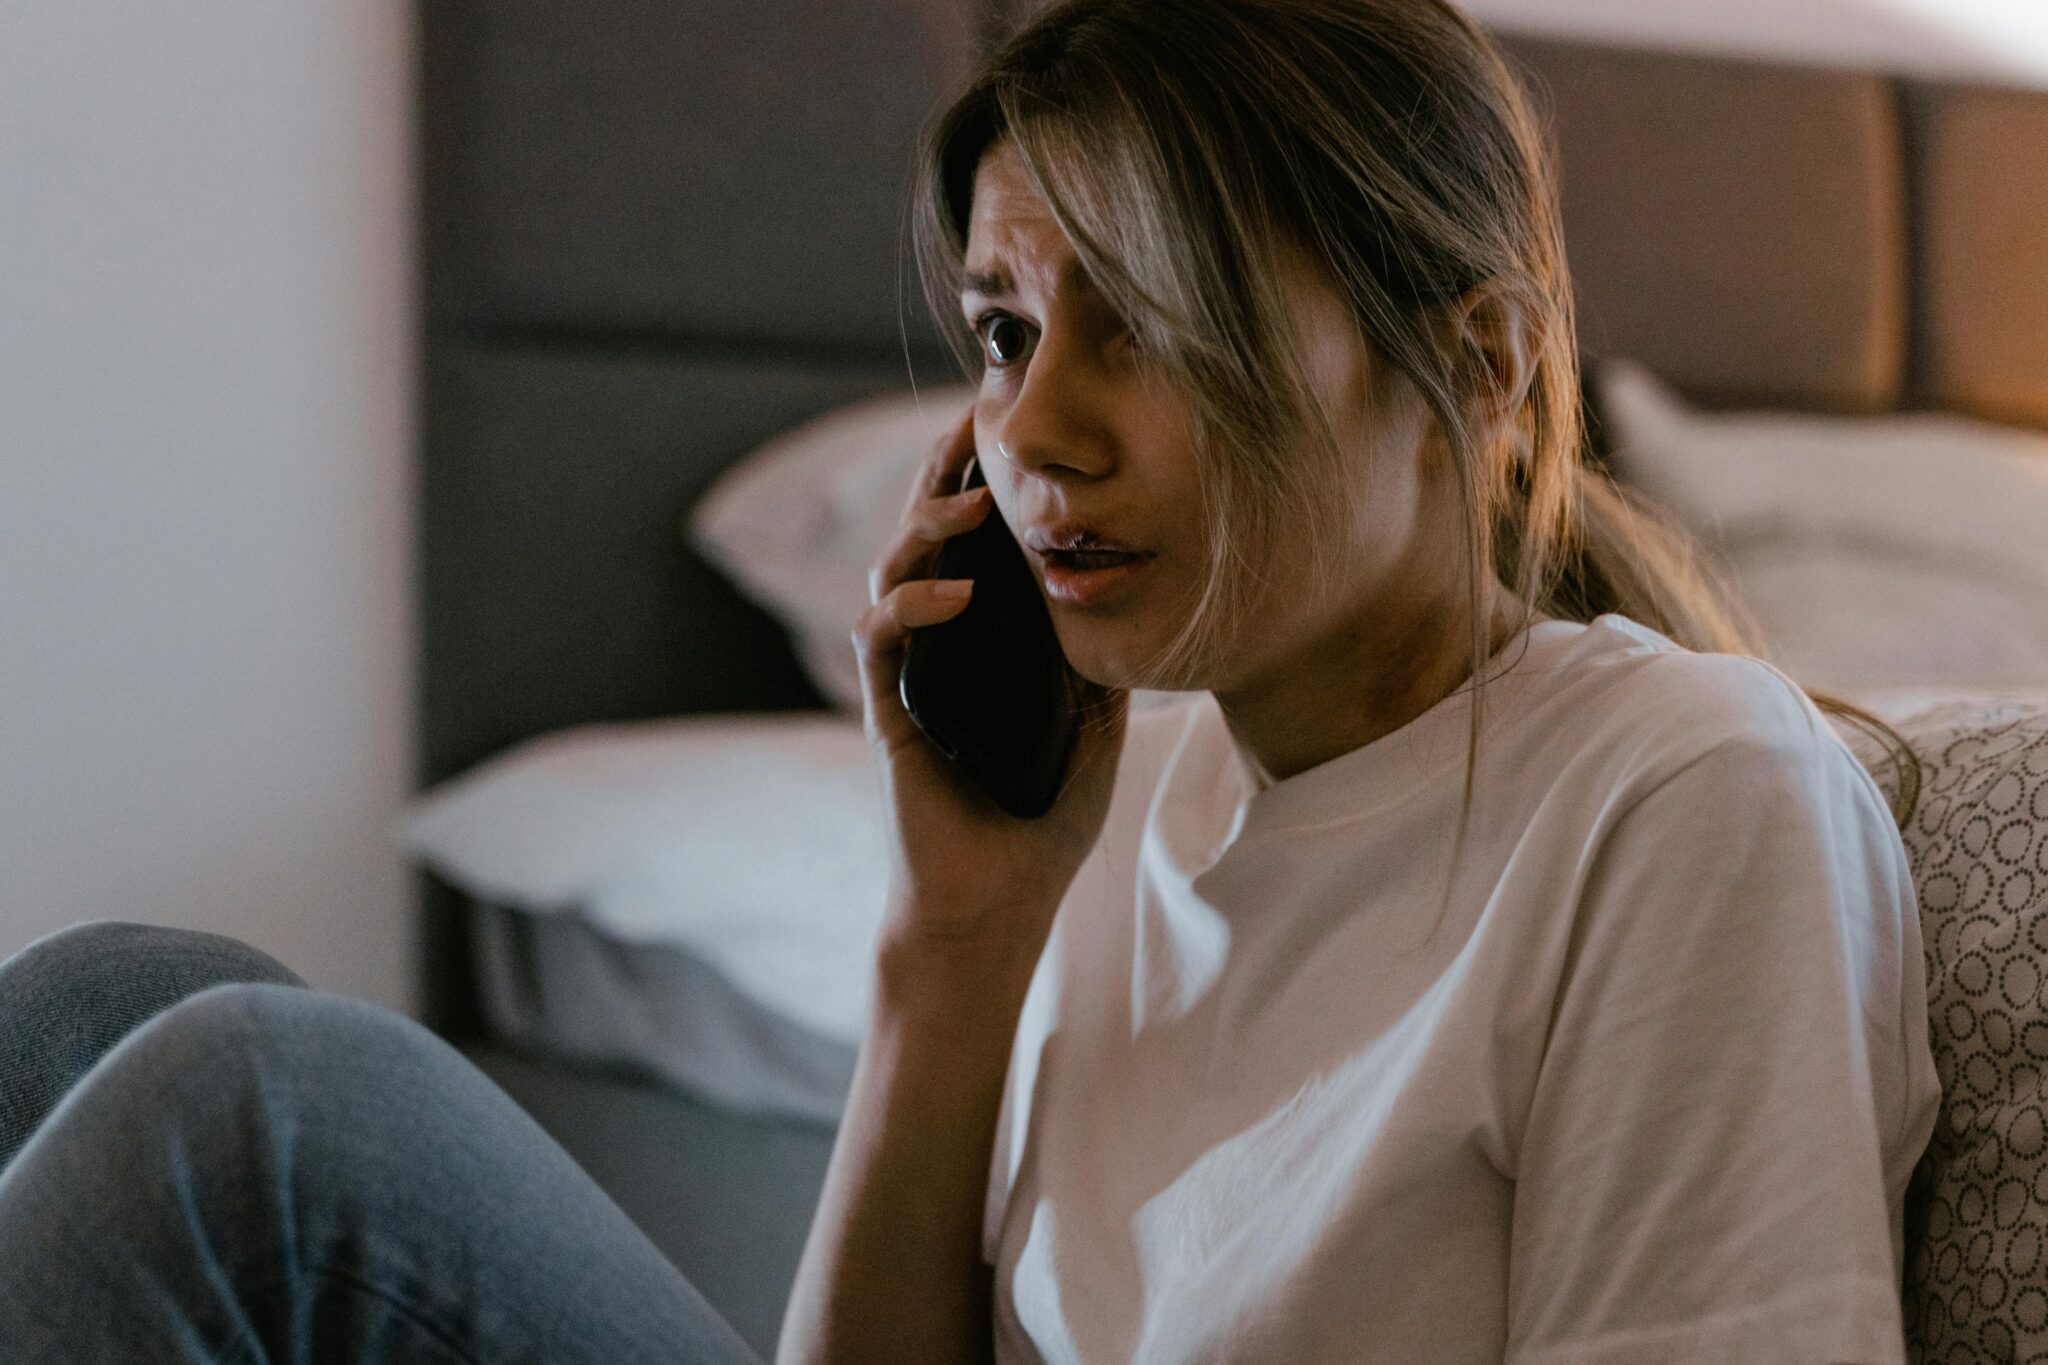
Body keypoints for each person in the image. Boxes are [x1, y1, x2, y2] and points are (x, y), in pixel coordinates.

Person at [0, 0, 1939, 1361]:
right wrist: (955, 940)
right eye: (1007, 333)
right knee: (112, 997)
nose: (1038, 434)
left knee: (255, 1115)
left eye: (1149, 319)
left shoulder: (1679, 793)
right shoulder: (1121, 786)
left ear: (1484, 366)